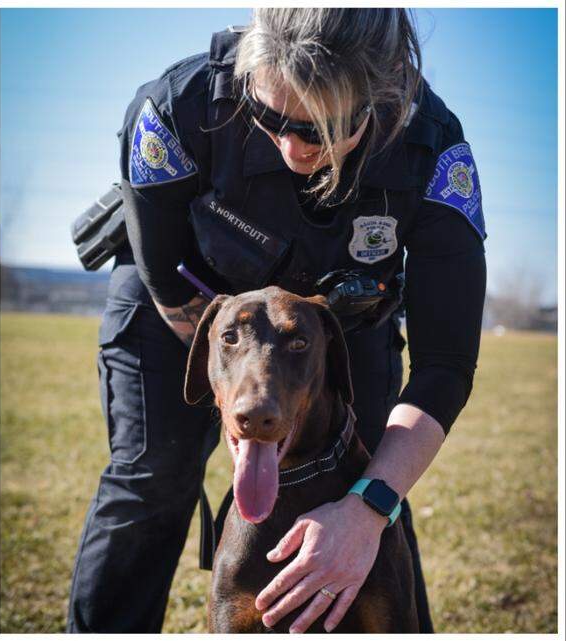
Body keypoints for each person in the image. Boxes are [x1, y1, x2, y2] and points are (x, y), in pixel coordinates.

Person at [68, 8, 485, 633]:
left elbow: (445, 365)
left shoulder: (435, 155)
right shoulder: (176, 109)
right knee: (154, 474)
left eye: (324, 127)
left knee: (371, 475)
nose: (294, 149)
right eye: (272, 120)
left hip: (343, 318)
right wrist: (243, 394)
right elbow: (163, 276)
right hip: (187, 298)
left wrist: (371, 504)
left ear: (387, 94)